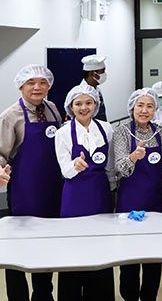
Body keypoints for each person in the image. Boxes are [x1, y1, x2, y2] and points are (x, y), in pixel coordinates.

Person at [0, 64, 63, 301]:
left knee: (45, 251)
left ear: (49, 85)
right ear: (21, 86)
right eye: (31, 83)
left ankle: (43, 295)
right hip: (24, 193)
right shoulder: (9, 117)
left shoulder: (52, 110)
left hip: (52, 192)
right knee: (18, 252)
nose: (37, 87)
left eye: (42, 82)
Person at [113, 88, 162, 301]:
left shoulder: (159, 131)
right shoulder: (121, 131)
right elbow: (120, 168)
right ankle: (129, 297)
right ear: (132, 107)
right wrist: (133, 157)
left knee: (153, 257)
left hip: (156, 201)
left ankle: (149, 296)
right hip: (130, 201)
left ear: (155, 109)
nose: (144, 110)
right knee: (130, 257)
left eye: (150, 106)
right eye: (140, 105)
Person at [55, 84, 115, 301]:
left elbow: (110, 166)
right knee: (73, 248)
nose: (83, 107)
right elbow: (64, 169)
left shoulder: (106, 129)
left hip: (100, 194)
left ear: (96, 105)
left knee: (100, 247)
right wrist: (75, 166)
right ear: (70, 107)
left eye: (88, 102)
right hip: (75, 197)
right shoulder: (62, 133)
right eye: (78, 104)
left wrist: (112, 191)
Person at [80, 54, 108, 121]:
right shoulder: (82, 93)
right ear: (92, 74)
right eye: (102, 72)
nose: (104, 74)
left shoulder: (96, 90)